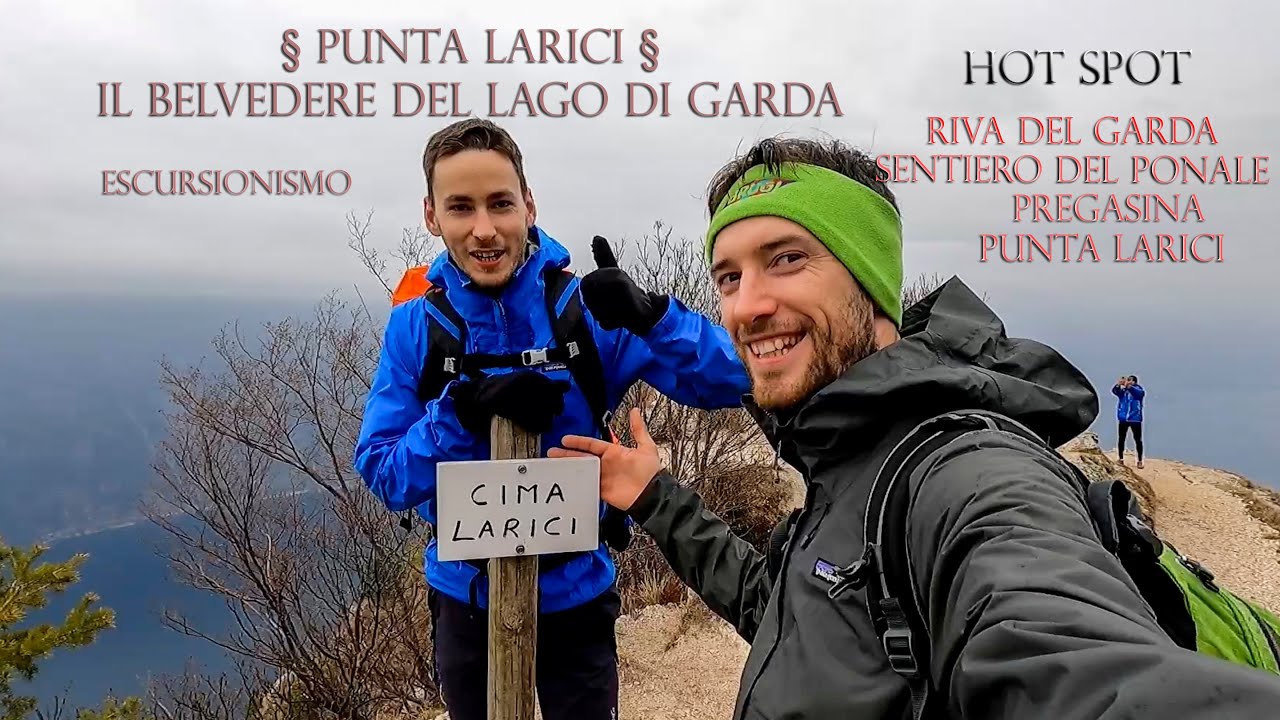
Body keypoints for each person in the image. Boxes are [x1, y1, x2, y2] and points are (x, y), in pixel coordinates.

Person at [551, 136, 1280, 718]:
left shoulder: (964, 474)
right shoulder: (847, 466)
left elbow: (1075, 666)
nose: (747, 306)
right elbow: (788, 613)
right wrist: (655, 498)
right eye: (730, 277)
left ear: (871, 284)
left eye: (788, 259)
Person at [353, 118, 749, 720]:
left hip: (576, 593)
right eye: (461, 207)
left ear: (529, 206)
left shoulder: (580, 313)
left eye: (500, 204)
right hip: (466, 599)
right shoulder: (415, 328)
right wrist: (459, 414)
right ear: (432, 216)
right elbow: (383, 473)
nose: (484, 229)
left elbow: (734, 381)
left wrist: (653, 318)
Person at [1114, 374, 1146, 468]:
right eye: (1128, 380)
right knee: (1121, 438)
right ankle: (1120, 459)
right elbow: (1115, 391)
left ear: (1135, 382)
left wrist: (1129, 387)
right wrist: (1118, 385)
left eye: (1131, 380)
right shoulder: (1123, 392)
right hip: (1123, 419)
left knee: (1138, 440)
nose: (1129, 382)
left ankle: (1139, 460)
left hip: (1135, 419)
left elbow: (1138, 393)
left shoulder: (1139, 391)